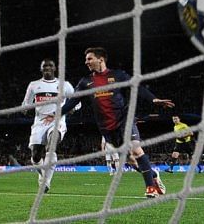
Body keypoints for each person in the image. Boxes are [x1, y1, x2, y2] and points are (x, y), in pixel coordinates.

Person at [46, 47, 174, 198]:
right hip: (107, 127)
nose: (86, 62)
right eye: (86, 59)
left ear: (100, 59)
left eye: (89, 58)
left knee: (135, 148)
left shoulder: (118, 75)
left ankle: (150, 187)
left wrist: (153, 99)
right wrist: (56, 114)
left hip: (124, 119)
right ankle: (153, 174)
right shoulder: (85, 82)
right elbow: (72, 102)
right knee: (131, 160)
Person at [22, 58, 80, 193]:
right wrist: (25, 108)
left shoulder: (65, 85)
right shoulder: (34, 85)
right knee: (36, 155)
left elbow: (77, 102)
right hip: (39, 122)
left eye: (50, 66)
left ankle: (46, 183)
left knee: (52, 143)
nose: (47, 68)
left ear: (55, 68)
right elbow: (26, 103)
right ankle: (42, 175)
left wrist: (71, 109)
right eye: (44, 66)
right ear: (41, 69)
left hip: (57, 120)